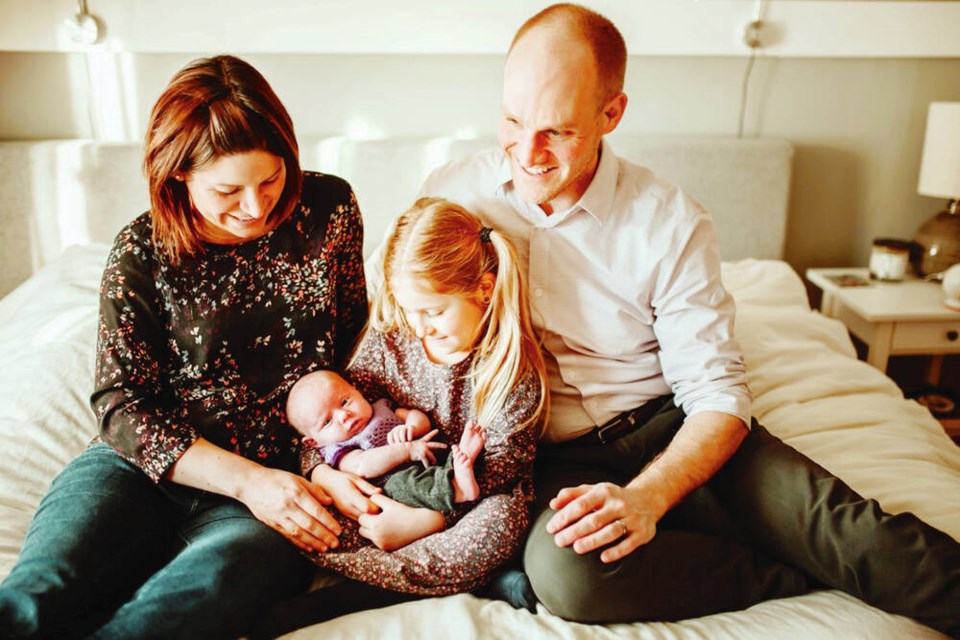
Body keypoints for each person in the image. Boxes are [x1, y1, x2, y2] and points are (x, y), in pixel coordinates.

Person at [415, 4, 960, 637]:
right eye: (513, 120)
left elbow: (718, 395)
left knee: (851, 530)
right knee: (567, 575)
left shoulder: (669, 221)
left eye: (557, 132)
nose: (528, 152)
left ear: (610, 115)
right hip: (544, 455)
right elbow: (406, 322)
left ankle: (756, 528)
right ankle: (777, 572)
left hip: (666, 425)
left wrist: (651, 496)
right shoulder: (454, 195)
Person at [0, 54, 379, 640]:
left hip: (268, 487)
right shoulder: (141, 253)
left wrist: (345, 458)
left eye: (271, 179)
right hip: (139, 472)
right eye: (228, 189)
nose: (256, 208)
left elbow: (356, 342)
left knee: (198, 596)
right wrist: (247, 481)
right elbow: (120, 407)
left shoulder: (327, 211)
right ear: (178, 173)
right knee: (37, 595)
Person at [287, 368, 488, 508]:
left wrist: (412, 426)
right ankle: (458, 489)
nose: (344, 416)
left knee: (442, 445)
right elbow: (362, 467)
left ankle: (461, 460)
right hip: (397, 482)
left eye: (345, 401)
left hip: (427, 456)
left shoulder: (381, 408)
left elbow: (418, 417)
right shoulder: (338, 450)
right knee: (402, 485)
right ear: (314, 442)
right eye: (327, 422)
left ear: (356, 390)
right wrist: (407, 450)